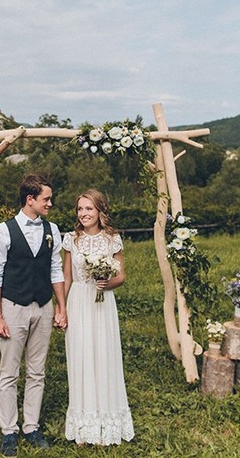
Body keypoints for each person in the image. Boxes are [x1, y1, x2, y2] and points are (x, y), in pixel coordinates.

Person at [0, 172, 67, 457]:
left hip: (43, 306)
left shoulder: (52, 229)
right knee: (9, 373)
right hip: (13, 308)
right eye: (46, 199)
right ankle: (9, 431)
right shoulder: (3, 231)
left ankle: (31, 426)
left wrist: (61, 307)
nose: (50, 204)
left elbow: (56, 269)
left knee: (37, 371)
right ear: (30, 199)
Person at [61, 188, 135, 446]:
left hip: (103, 305)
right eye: (80, 209)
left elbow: (122, 276)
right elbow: (67, 277)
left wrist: (108, 284)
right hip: (78, 302)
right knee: (80, 358)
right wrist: (60, 308)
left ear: (100, 210)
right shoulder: (71, 239)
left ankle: (107, 421)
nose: (83, 214)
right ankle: (83, 425)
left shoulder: (112, 239)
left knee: (104, 357)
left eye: (88, 209)